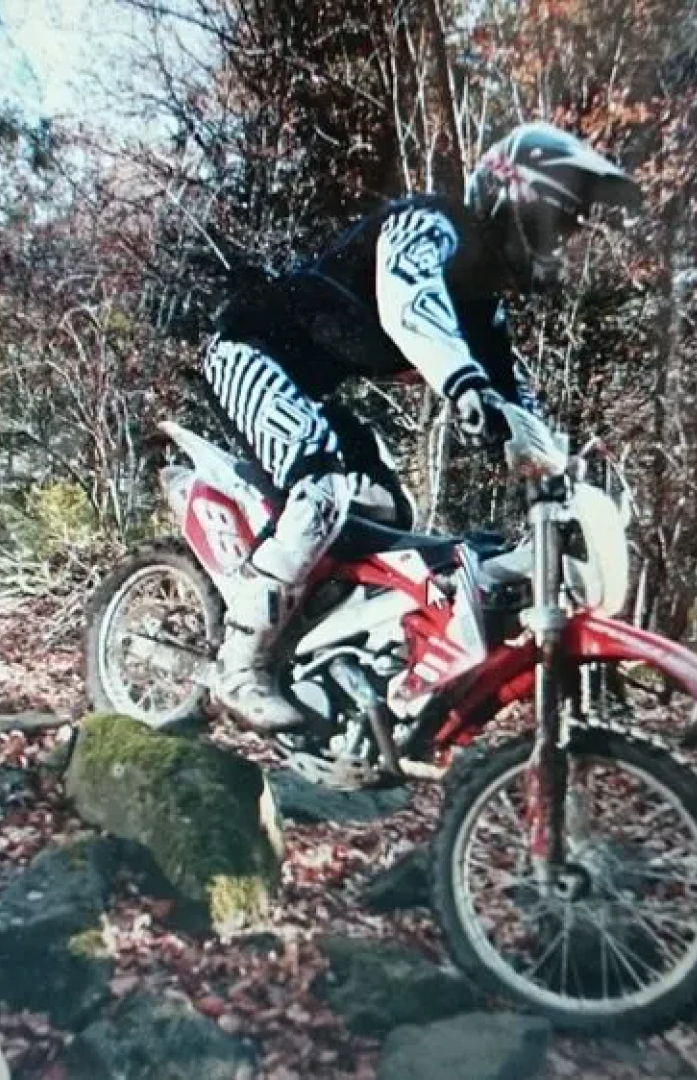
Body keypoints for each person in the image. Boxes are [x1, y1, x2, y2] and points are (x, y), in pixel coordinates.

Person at [200, 121, 641, 733]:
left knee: (389, 511)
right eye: (555, 220)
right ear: (512, 194)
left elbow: (516, 393)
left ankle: (319, 642)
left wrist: (555, 467)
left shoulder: (484, 307)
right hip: (249, 349)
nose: (559, 242)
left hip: (306, 385)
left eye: (567, 230)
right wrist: (465, 387)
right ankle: (238, 665)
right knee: (322, 493)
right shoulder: (430, 221)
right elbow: (410, 306)